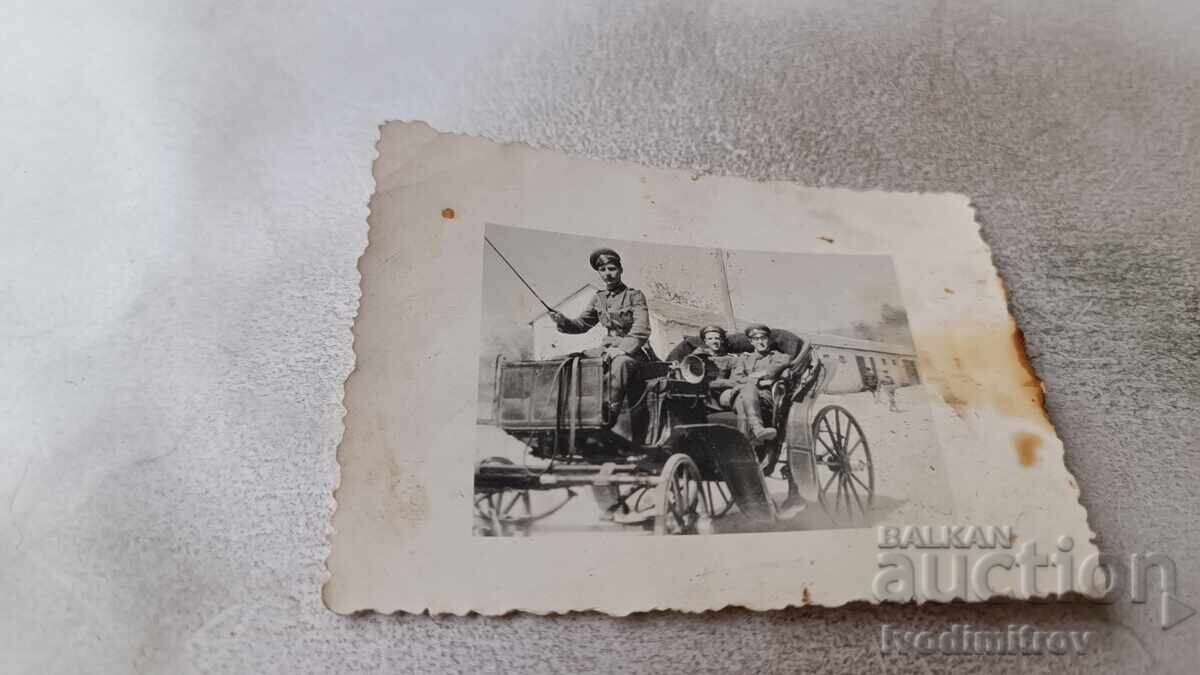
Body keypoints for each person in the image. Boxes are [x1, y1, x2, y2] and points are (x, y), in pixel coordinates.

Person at [548, 248, 651, 436]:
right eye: (602, 270)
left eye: (611, 269)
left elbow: (641, 329)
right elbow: (581, 324)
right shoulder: (599, 298)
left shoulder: (634, 295)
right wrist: (561, 320)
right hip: (605, 349)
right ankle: (556, 410)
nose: (607, 274)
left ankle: (607, 414)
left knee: (620, 363)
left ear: (620, 270)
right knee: (562, 360)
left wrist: (622, 350)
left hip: (632, 354)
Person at [727, 324, 792, 444]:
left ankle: (744, 444)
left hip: (765, 396)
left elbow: (785, 361)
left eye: (763, 338)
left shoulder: (777, 356)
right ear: (751, 342)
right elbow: (737, 378)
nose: (760, 342)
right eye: (756, 339)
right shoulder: (744, 359)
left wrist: (764, 373)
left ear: (768, 340)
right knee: (748, 389)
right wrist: (755, 380)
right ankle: (757, 430)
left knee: (742, 402)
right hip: (742, 392)